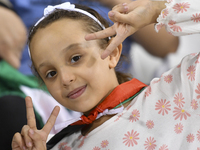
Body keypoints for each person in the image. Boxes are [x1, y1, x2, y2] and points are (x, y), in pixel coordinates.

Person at [11, 1, 200, 149]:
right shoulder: (61, 145)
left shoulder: (178, 91)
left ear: (113, 53)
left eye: (76, 58)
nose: (65, 78)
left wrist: (156, 10)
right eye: (50, 73)